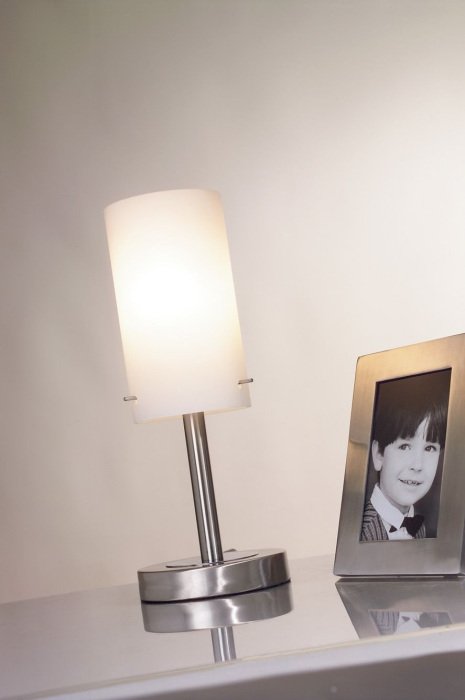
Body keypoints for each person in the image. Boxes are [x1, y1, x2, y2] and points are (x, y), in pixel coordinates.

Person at [361, 370, 450, 542]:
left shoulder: (420, 529)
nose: (417, 465)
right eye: (404, 446)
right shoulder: (363, 533)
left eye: (429, 448)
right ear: (378, 454)